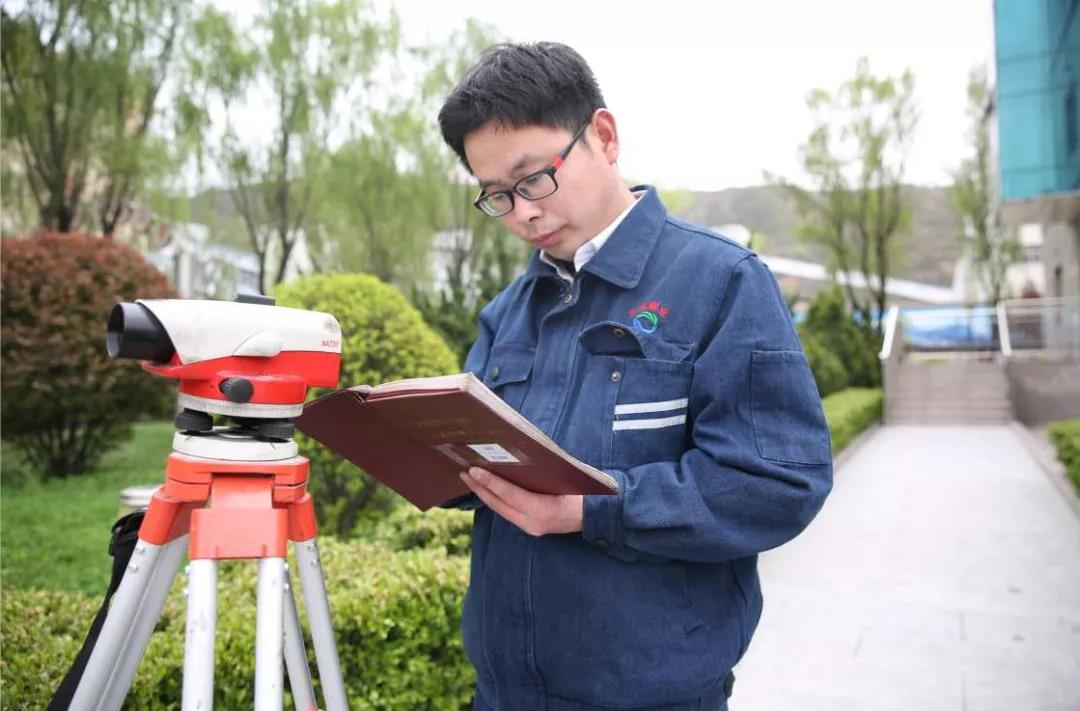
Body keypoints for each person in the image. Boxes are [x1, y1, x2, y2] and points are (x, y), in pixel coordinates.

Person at [437, 41, 832, 711]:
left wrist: (593, 510)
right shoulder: (510, 311)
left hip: (650, 693)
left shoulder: (721, 282)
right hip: (503, 694)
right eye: (496, 195)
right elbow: (485, 457)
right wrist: (435, 459)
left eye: (533, 179)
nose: (523, 212)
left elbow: (777, 481)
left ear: (604, 136)